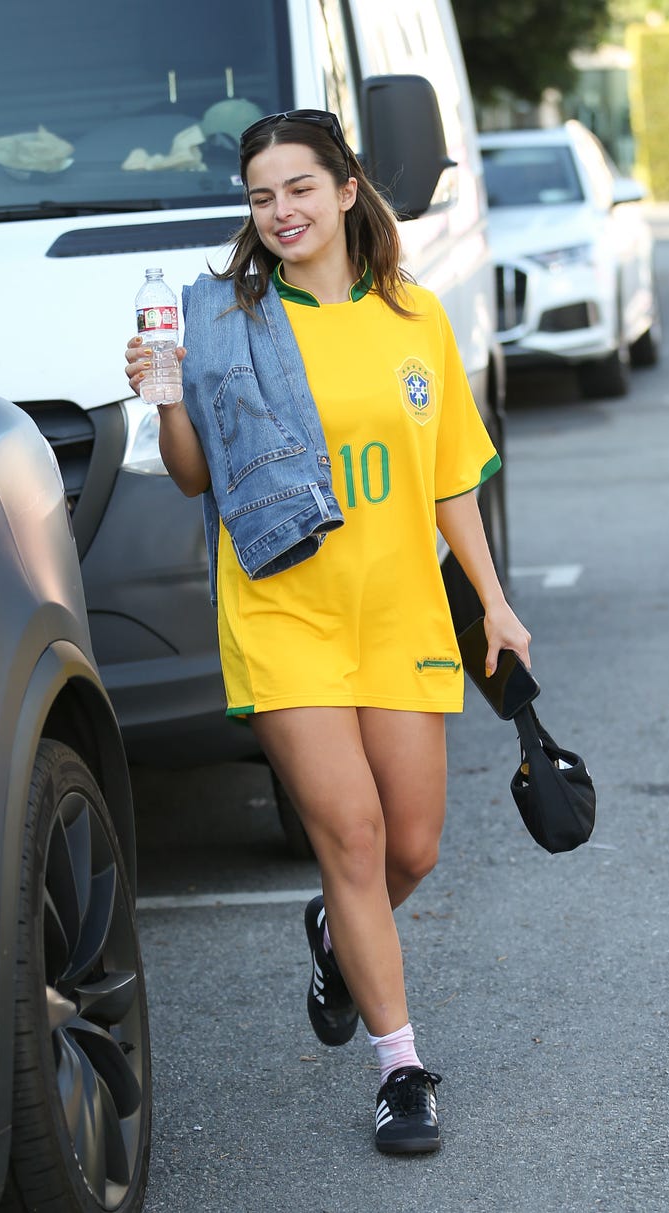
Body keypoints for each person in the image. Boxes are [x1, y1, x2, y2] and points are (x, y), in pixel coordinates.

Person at [124, 108, 531, 1154]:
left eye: (299, 188)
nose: (280, 212)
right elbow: (193, 478)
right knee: (348, 837)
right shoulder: (225, 320)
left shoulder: (415, 320)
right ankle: (401, 1070)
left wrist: (492, 599)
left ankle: (334, 934)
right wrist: (164, 398)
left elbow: (450, 484)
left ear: (346, 190)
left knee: (412, 846)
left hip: (398, 612)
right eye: (260, 197)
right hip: (284, 610)